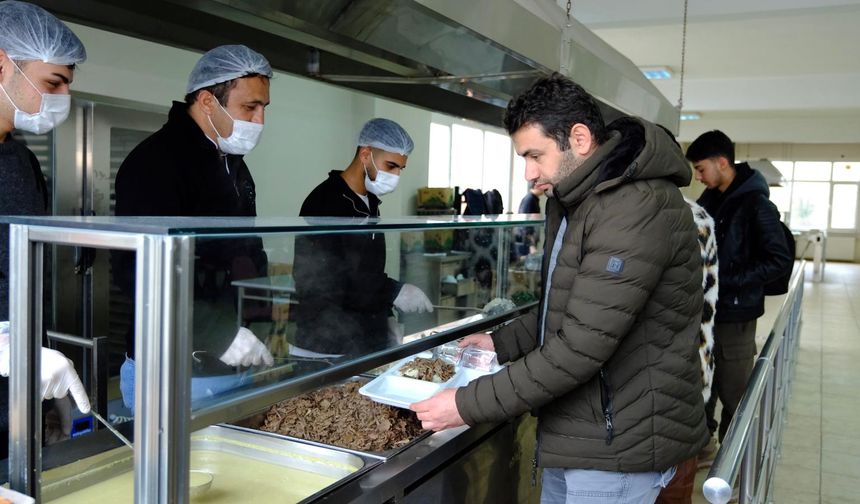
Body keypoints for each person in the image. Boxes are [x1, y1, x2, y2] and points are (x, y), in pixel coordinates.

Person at [411, 73, 709, 504]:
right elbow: (566, 308)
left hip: (618, 446)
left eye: (536, 155)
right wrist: (498, 342)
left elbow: (581, 347)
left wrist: (465, 403)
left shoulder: (635, 208)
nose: (530, 174)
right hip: (583, 433)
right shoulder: (579, 200)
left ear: (580, 138)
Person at [113, 45, 274, 411]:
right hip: (174, 368)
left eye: (264, 108)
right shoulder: (156, 162)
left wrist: (259, 311)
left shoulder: (233, 165)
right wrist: (219, 333)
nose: (260, 121)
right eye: (250, 107)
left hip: (232, 358)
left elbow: (245, 250)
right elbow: (138, 272)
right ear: (206, 100)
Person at [0, 0, 91, 456]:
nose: (62, 100)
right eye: (52, 83)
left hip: (18, 407)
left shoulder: (20, 161)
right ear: (1, 64)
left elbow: (22, 274)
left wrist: (37, 357)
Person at [686, 130, 793, 445]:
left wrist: (725, 280)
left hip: (737, 314)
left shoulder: (756, 204)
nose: (698, 176)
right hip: (709, 312)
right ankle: (703, 448)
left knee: (734, 393)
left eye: (701, 168)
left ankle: (732, 471)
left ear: (722, 163)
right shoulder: (711, 201)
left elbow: (778, 259)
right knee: (704, 383)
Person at [292, 118, 432, 357]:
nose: (396, 175)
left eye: (400, 168)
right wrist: (394, 291)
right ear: (366, 154)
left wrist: (385, 316)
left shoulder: (370, 204)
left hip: (360, 340)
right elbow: (331, 280)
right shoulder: (326, 202)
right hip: (324, 344)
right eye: (390, 166)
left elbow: (370, 272)